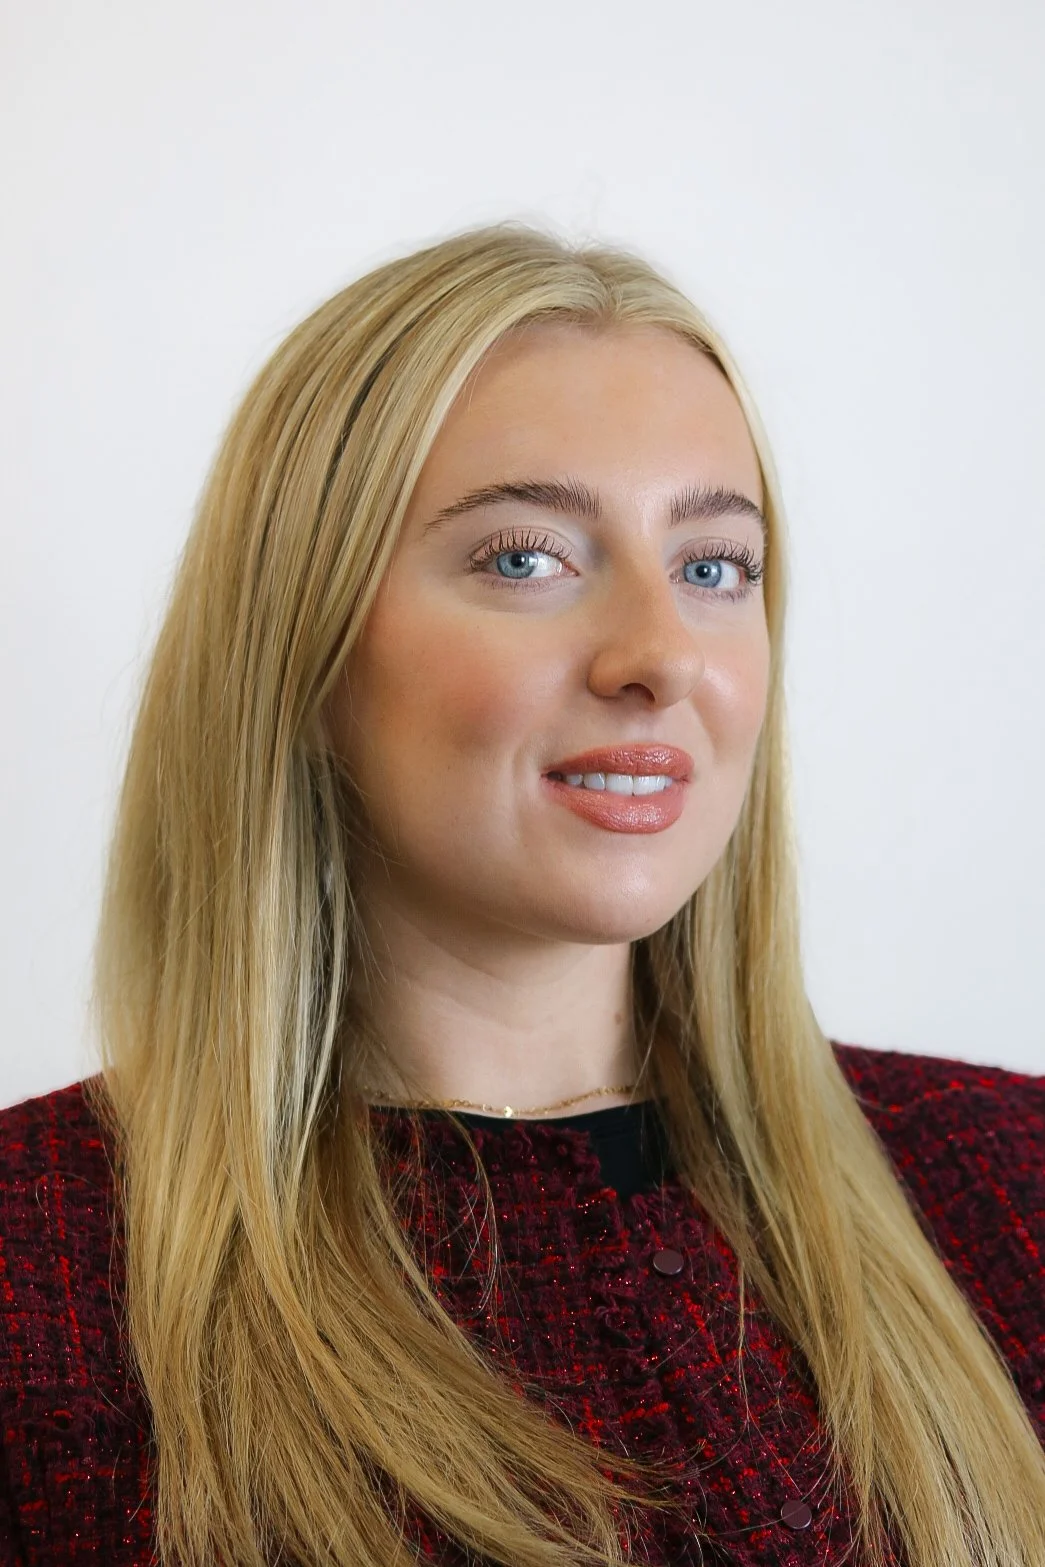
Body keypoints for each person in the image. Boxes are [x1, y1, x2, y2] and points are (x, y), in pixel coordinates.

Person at [0, 222, 1043, 1567]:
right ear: (303, 650)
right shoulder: (34, 1268)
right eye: (524, 557)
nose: (661, 654)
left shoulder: (1010, 1180)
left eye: (714, 565)